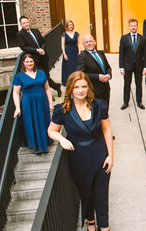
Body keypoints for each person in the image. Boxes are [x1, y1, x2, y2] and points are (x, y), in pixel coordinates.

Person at [48, 71, 113, 231]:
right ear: (70, 89)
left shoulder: (99, 105)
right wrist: (62, 139)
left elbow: (107, 131)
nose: (80, 90)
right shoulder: (62, 110)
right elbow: (51, 131)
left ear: (88, 88)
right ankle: (91, 223)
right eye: (76, 87)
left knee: (101, 195)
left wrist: (111, 155)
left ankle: (104, 227)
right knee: (86, 193)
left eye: (84, 86)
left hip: (100, 155)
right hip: (78, 158)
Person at [12, 53, 53, 154]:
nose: (29, 63)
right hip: (28, 102)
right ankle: (37, 147)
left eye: (31, 61)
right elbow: (16, 92)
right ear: (23, 63)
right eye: (27, 62)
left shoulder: (42, 73)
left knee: (43, 121)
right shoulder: (19, 76)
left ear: (34, 62)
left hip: (42, 100)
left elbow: (47, 88)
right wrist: (17, 107)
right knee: (32, 122)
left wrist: (50, 103)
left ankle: (45, 144)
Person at [16, 16, 62, 96]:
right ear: (21, 24)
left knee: (47, 76)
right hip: (34, 59)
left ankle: (54, 88)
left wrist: (42, 49)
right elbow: (23, 47)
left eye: (27, 22)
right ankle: (53, 90)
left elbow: (43, 42)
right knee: (42, 77)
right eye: (24, 23)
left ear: (29, 22)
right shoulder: (20, 34)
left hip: (43, 57)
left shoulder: (35, 31)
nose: (26, 24)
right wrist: (36, 50)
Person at [119, 18, 146, 110]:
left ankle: (139, 102)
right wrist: (121, 67)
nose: (133, 27)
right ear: (129, 27)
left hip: (139, 65)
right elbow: (121, 53)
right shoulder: (124, 38)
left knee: (138, 84)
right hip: (127, 65)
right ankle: (125, 102)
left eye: (135, 26)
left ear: (137, 26)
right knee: (127, 84)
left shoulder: (142, 38)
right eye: (132, 26)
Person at [77, 35, 112, 107]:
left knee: (105, 111)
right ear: (83, 44)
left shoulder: (101, 53)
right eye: (86, 42)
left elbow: (108, 67)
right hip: (94, 91)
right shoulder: (82, 56)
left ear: (95, 42)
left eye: (90, 41)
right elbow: (81, 74)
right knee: (96, 114)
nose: (89, 43)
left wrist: (108, 75)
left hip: (105, 89)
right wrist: (98, 77)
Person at [61, 20, 81, 86]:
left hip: (75, 51)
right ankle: (69, 81)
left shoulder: (76, 33)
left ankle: (76, 80)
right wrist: (64, 54)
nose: (70, 26)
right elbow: (63, 44)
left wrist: (79, 52)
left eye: (71, 25)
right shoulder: (64, 34)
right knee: (69, 67)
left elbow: (78, 43)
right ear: (67, 26)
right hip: (68, 51)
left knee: (75, 66)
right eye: (69, 25)